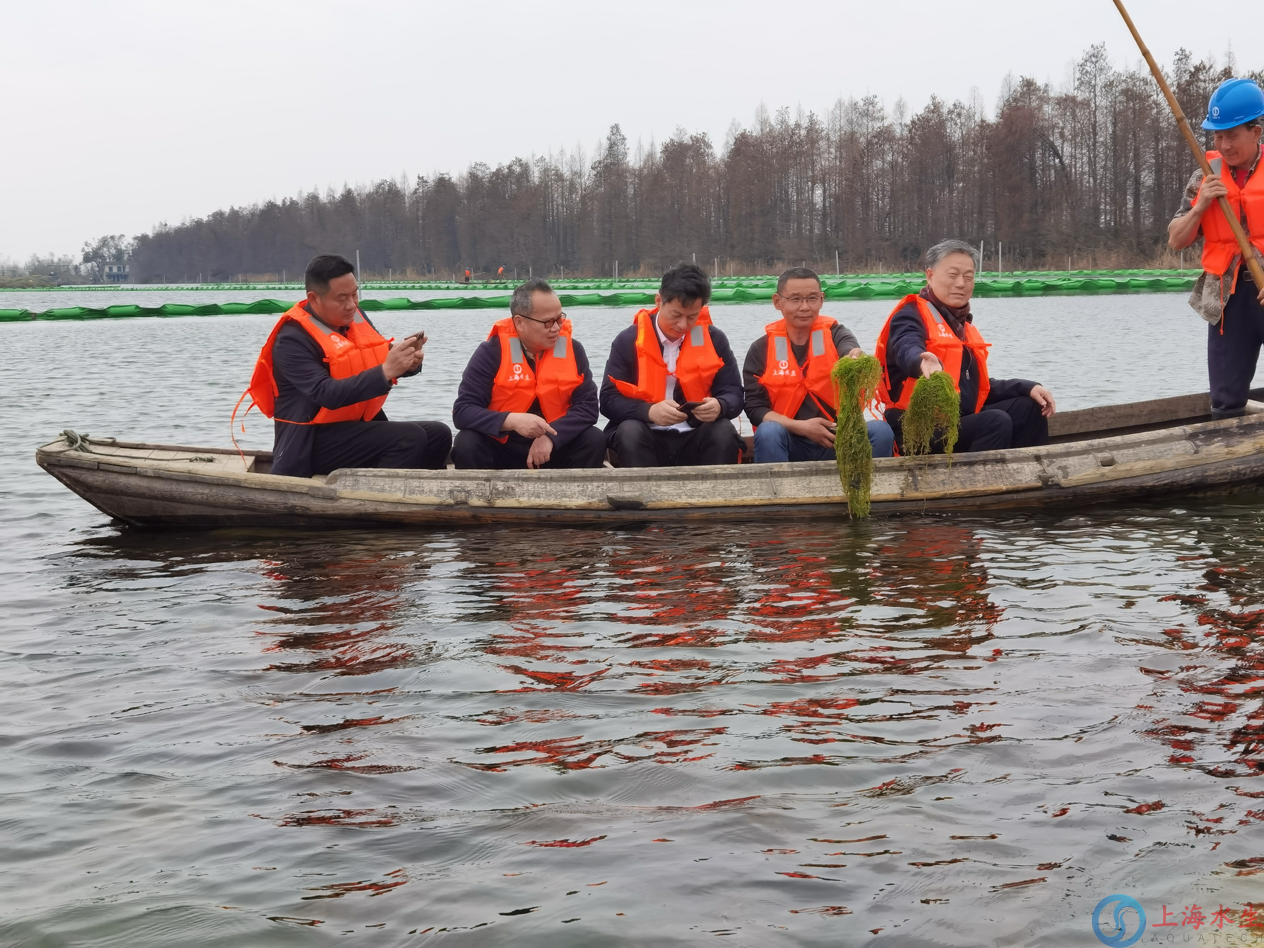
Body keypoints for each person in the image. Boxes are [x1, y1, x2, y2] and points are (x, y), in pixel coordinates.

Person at [245, 253, 451, 478]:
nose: (351, 304)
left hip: (354, 429)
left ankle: (422, 494)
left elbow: (377, 360)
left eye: (354, 294)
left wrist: (407, 362)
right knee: (410, 437)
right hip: (310, 442)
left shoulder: (355, 317)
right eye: (341, 298)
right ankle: (373, 502)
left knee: (438, 433)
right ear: (314, 299)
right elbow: (326, 393)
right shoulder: (291, 339)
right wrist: (386, 371)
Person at [874, 239, 1056, 453]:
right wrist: (921, 362)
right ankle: (976, 484)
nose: (961, 283)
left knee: (1030, 408)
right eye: (953, 275)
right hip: (915, 431)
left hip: (957, 421)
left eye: (968, 277)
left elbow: (977, 388)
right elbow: (906, 346)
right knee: (995, 421)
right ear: (930, 275)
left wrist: (1028, 386)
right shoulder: (910, 314)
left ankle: (1031, 477)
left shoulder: (962, 326)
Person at [1167, 78, 1264, 419]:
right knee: (1225, 399)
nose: (1223, 145)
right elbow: (1176, 239)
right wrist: (1200, 206)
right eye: (1217, 136)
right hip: (1228, 297)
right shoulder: (1204, 177)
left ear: (1256, 131)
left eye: (1231, 135)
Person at [744, 266, 895, 462]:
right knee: (768, 432)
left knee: (880, 430)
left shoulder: (837, 334)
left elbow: (849, 348)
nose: (805, 307)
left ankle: (865, 490)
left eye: (812, 298)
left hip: (837, 436)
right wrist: (801, 427)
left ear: (822, 300)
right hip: (790, 439)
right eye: (795, 299)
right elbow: (755, 409)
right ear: (777, 302)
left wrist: (854, 357)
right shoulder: (760, 349)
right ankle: (779, 492)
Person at [452, 278, 606, 469]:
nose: (557, 328)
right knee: (467, 441)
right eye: (548, 322)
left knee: (594, 438)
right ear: (520, 322)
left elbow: (588, 408)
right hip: (504, 445)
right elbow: (463, 411)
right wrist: (511, 420)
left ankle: (576, 496)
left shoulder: (573, 350)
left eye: (560, 319)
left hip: (554, 445)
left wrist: (551, 437)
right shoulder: (491, 352)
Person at [600, 263, 745, 467]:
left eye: (692, 317)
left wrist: (721, 406)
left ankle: (716, 497)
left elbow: (734, 393)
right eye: (676, 315)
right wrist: (648, 411)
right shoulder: (628, 341)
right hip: (645, 434)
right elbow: (608, 400)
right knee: (629, 431)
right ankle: (642, 497)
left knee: (722, 429)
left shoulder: (715, 339)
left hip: (696, 434)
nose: (683, 325)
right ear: (659, 300)